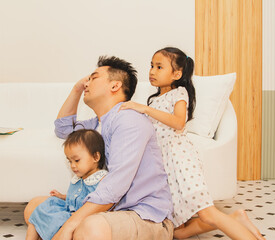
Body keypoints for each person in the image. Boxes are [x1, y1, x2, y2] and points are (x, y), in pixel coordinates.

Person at [120, 47, 265, 240]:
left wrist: (144, 109)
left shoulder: (179, 93)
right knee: (178, 231)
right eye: (152, 66)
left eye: (159, 67)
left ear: (177, 74)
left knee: (208, 214)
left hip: (181, 161)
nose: (152, 71)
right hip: (166, 166)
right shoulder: (155, 99)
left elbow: (179, 121)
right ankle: (236, 218)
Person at [24, 56, 174, 240]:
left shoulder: (130, 120)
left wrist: (71, 223)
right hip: (108, 210)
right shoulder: (97, 124)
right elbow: (63, 129)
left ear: (115, 86)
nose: (87, 82)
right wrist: (77, 89)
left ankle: (76, 231)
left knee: (90, 228)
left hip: (142, 215)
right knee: (35, 206)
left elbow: (116, 184)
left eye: (93, 78)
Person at [25, 129, 108, 240]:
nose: (72, 165)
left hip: (80, 217)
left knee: (58, 220)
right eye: (69, 161)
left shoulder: (101, 179)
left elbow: (102, 204)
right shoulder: (79, 177)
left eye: (77, 160)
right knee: (42, 209)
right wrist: (63, 196)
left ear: (96, 157)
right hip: (68, 210)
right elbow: (76, 195)